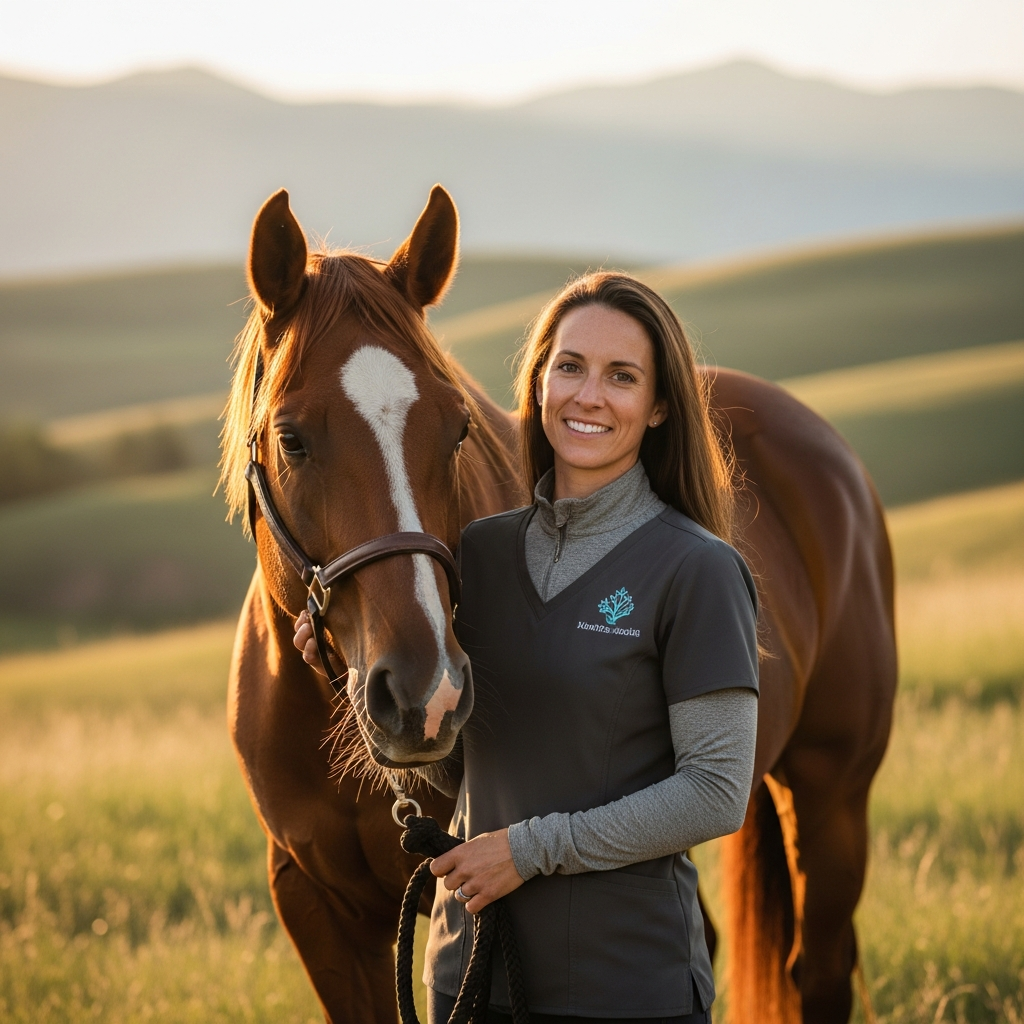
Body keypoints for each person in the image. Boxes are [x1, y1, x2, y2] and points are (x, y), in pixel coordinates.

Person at [295, 273, 758, 1024]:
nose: (588, 395)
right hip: (470, 976)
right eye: (569, 366)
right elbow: (459, 763)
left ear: (660, 405)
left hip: (623, 989)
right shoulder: (478, 554)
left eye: (622, 376)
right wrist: (346, 678)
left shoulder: (696, 569)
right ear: (538, 380)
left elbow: (715, 789)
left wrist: (528, 850)